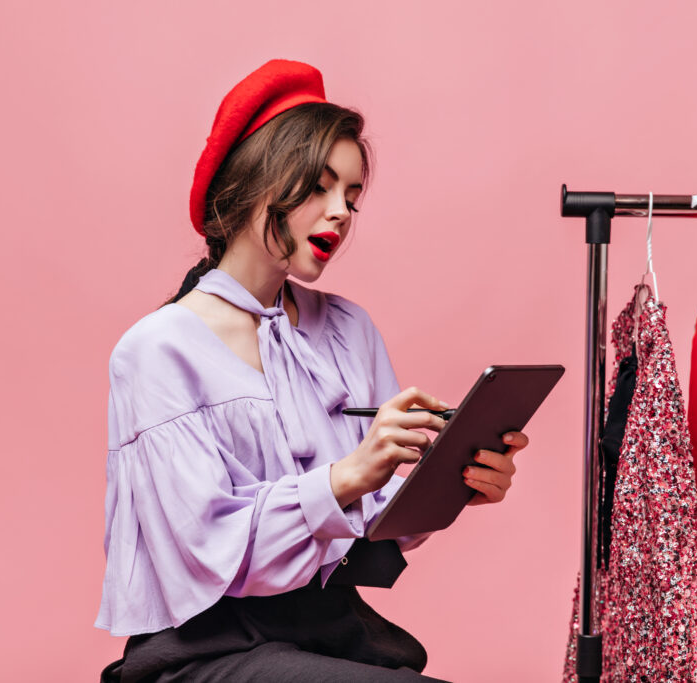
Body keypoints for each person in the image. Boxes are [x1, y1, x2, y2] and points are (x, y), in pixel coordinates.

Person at [95, 59, 530, 682]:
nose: (342, 212)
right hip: (210, 649)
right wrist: (350, 473)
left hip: (329, 635)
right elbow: (204, 551)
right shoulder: (158, 350)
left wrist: (452, 480)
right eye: (320, 187)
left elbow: (373, 525)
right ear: (255, 182)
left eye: (351, 197)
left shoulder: (349, 328)